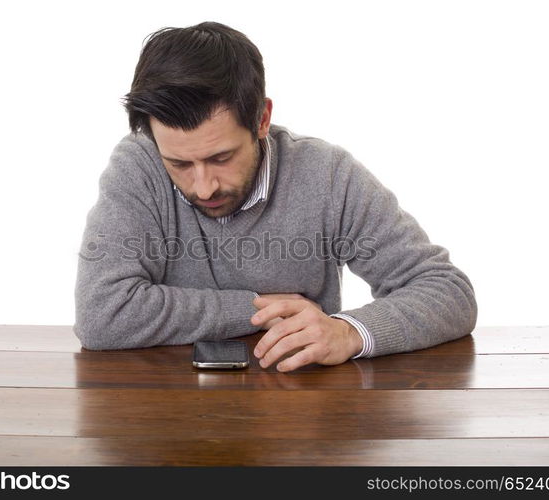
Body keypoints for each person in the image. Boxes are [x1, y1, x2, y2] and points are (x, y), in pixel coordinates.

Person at [73, 21, 477, 372]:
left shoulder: (327, 174)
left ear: (262, 119)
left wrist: (349, 332)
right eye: (179, 163)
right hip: (160, 419)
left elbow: (447, 291)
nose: (203, 186)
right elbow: (102, 315)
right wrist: (259, 307)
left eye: (221, 157)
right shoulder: (138, 166)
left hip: (301, 420)